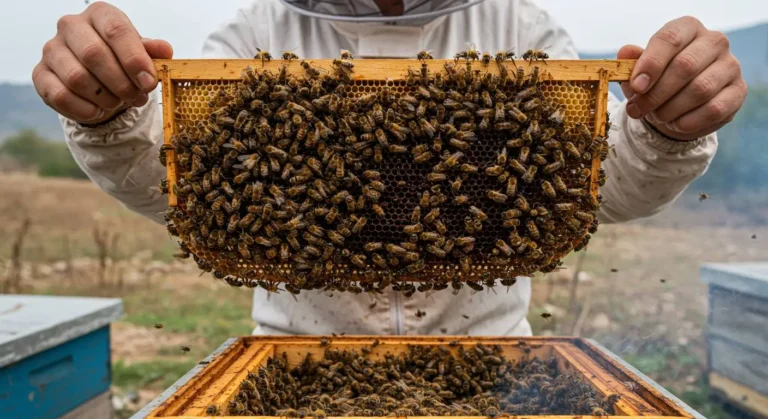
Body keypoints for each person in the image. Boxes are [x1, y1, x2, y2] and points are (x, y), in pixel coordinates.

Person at [34, 0, 745, 335]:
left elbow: (599, 183)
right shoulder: (256, 33)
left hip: (490, 355)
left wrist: (665, 128)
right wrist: (108, 115)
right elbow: (179, 183)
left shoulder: (519, 29)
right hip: (298, 357)